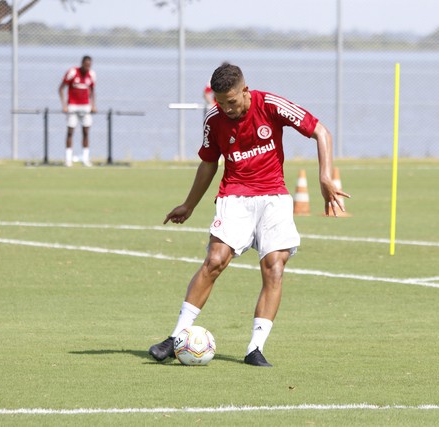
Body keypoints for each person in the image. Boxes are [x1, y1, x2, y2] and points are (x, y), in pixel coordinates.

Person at [149, 63, 350, 367]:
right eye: (220, 102)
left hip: (274, 198)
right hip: (235, 195)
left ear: (245, 90)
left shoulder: (271, 105)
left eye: (231, 101)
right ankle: (176, 336)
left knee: (274, 267)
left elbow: (321, 131)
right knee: (215, 260)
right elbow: (208, 163)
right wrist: (189, 204)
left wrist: (325, 177)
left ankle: (254, 349)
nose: (226, 109)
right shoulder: (214, 120)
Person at [59, 55, 97, 167]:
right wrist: (64, 105)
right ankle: (68, 159)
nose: (87, 67)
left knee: (86, 131)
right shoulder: (72, 72)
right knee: (70, 131)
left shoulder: (92, 74)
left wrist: (93, 105)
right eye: (86, 64)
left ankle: (85, 158)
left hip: (85, 106)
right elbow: (61, 88)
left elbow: (93, 90)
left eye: (89, 65)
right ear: (82, 63)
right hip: (73, 106)